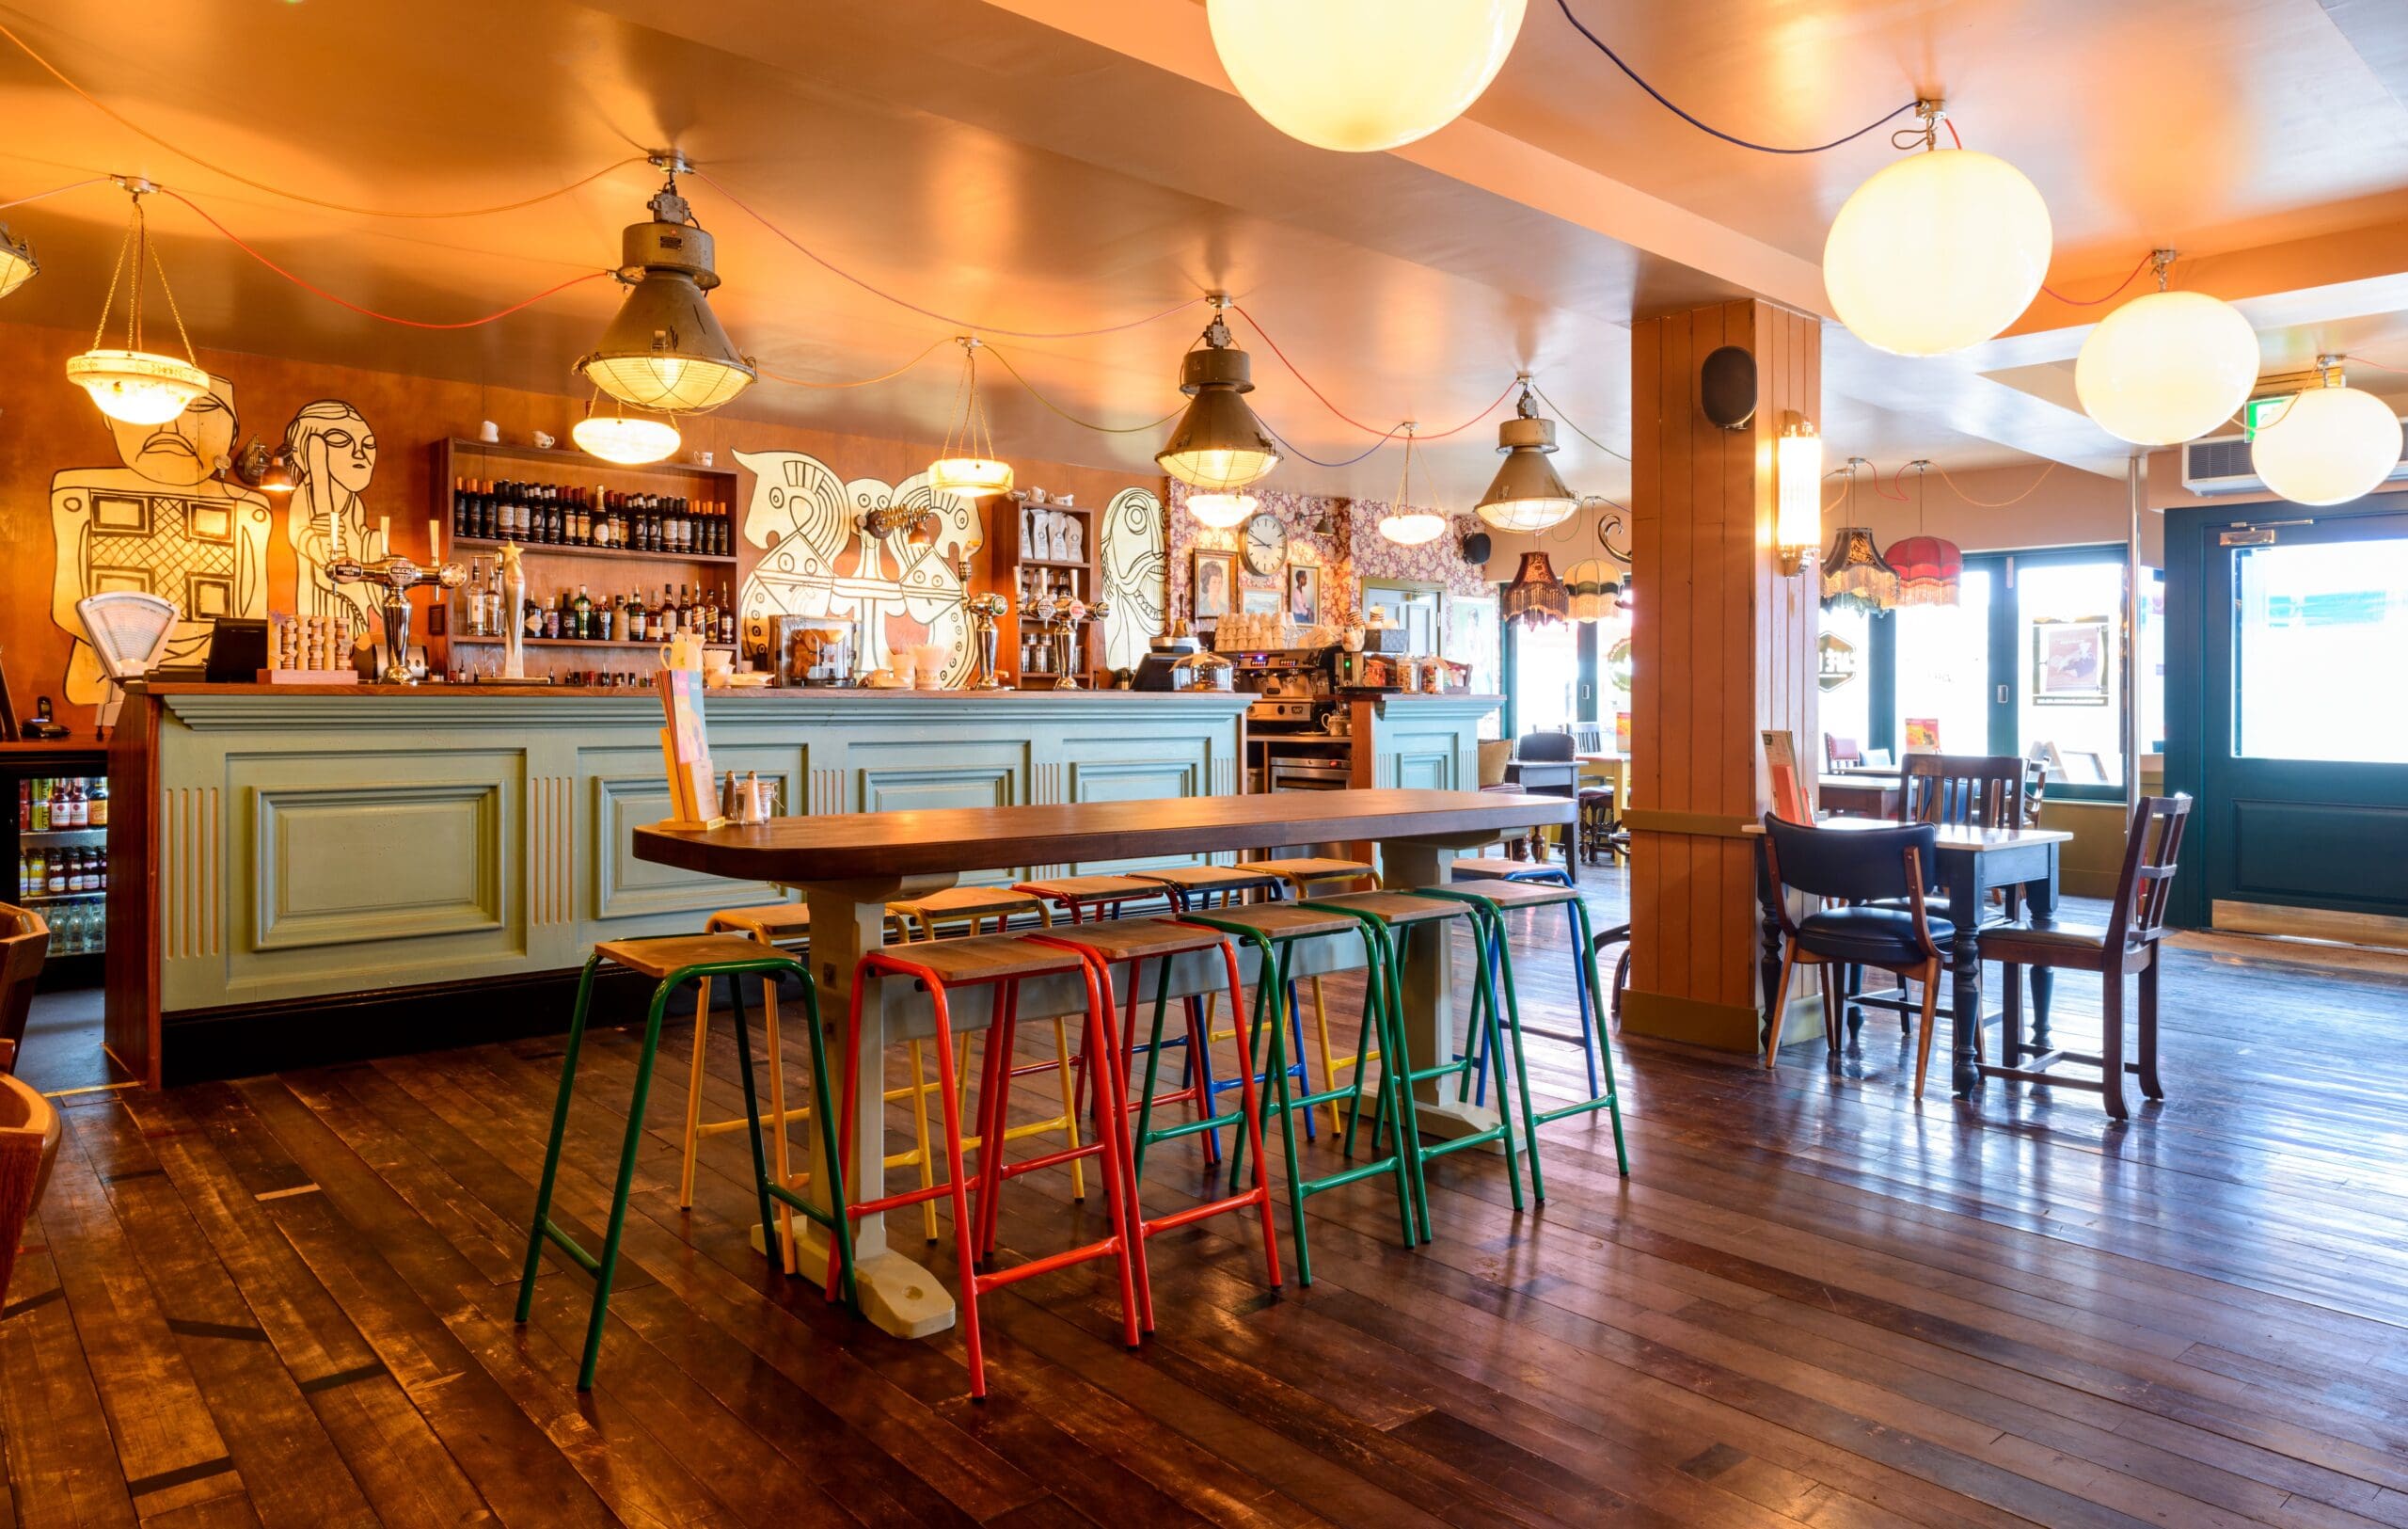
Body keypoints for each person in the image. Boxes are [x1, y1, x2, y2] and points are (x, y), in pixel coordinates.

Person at [50, 375, 271, 706]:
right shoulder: (77, 491)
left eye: (201, 409)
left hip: (208, 689)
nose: (172, 427)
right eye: (144, 411)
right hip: (103, 681)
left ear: (233, 436)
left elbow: (251, 615)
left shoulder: (249, 510)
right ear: (109, 418)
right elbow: (65, 606)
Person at [282, 400, 382, 632]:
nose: (359, 453)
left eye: (368, 444)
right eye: (340, 440)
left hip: (355, 595)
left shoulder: (354, 502)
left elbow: (361, 538)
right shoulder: (306, 493)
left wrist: (374, 543)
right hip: (322, 596)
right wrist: (318, 545)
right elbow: (298, 532)